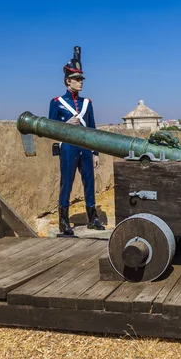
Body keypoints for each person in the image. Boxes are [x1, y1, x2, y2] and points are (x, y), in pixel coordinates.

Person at [48, 46, 105, 236]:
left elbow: (92, 128)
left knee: (89, 182)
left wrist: (96, 152)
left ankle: (92, 217)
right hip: (68, 148)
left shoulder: (87, 103)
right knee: (67, 182)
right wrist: (66, 124)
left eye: (81, 79)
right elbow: (51, 128)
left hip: (86, 147)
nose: (81, 83)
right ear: (68, 81)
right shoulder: (56, 102)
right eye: (77, 79)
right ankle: (64, 220)